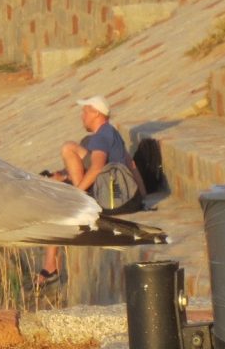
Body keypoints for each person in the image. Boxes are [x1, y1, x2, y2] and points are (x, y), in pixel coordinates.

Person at [35, 95, 145, 290]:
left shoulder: (100, 137)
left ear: (96, 113)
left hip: (110, 199)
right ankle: (51, 266)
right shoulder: (112, 133)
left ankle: (51, 266)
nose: (82, 116)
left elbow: (96, 168)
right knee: (60, 186)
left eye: (85, 112)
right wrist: (142, 196)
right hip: (123, 197)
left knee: (68, 148)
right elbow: (131, 164)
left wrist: (75, 194)